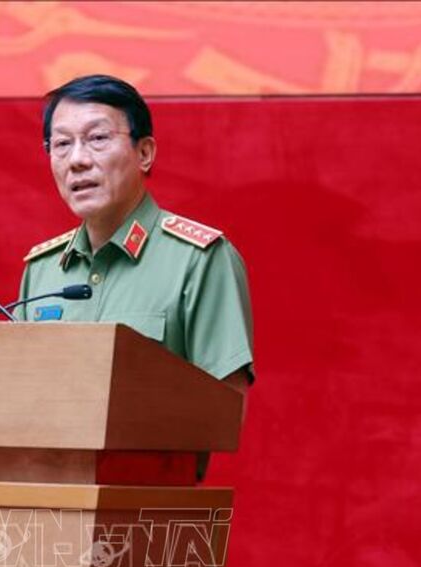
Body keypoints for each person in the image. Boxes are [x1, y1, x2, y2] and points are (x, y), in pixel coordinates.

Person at [18, 74, 254, 397]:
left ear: (144, 153)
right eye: (61, 144)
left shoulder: (198, 260)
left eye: (97, 138)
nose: (77, 160)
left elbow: (225, 408)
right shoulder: (42, 270)